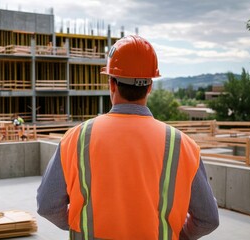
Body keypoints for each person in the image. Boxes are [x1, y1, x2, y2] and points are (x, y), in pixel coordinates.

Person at [37, 35, 219, 239]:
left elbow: (47, 206)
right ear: (149, 86)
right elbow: (208, 219)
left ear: (112, 84)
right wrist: (179, 234)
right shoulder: (183, 145)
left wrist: (78, 223)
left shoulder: (76, 138)